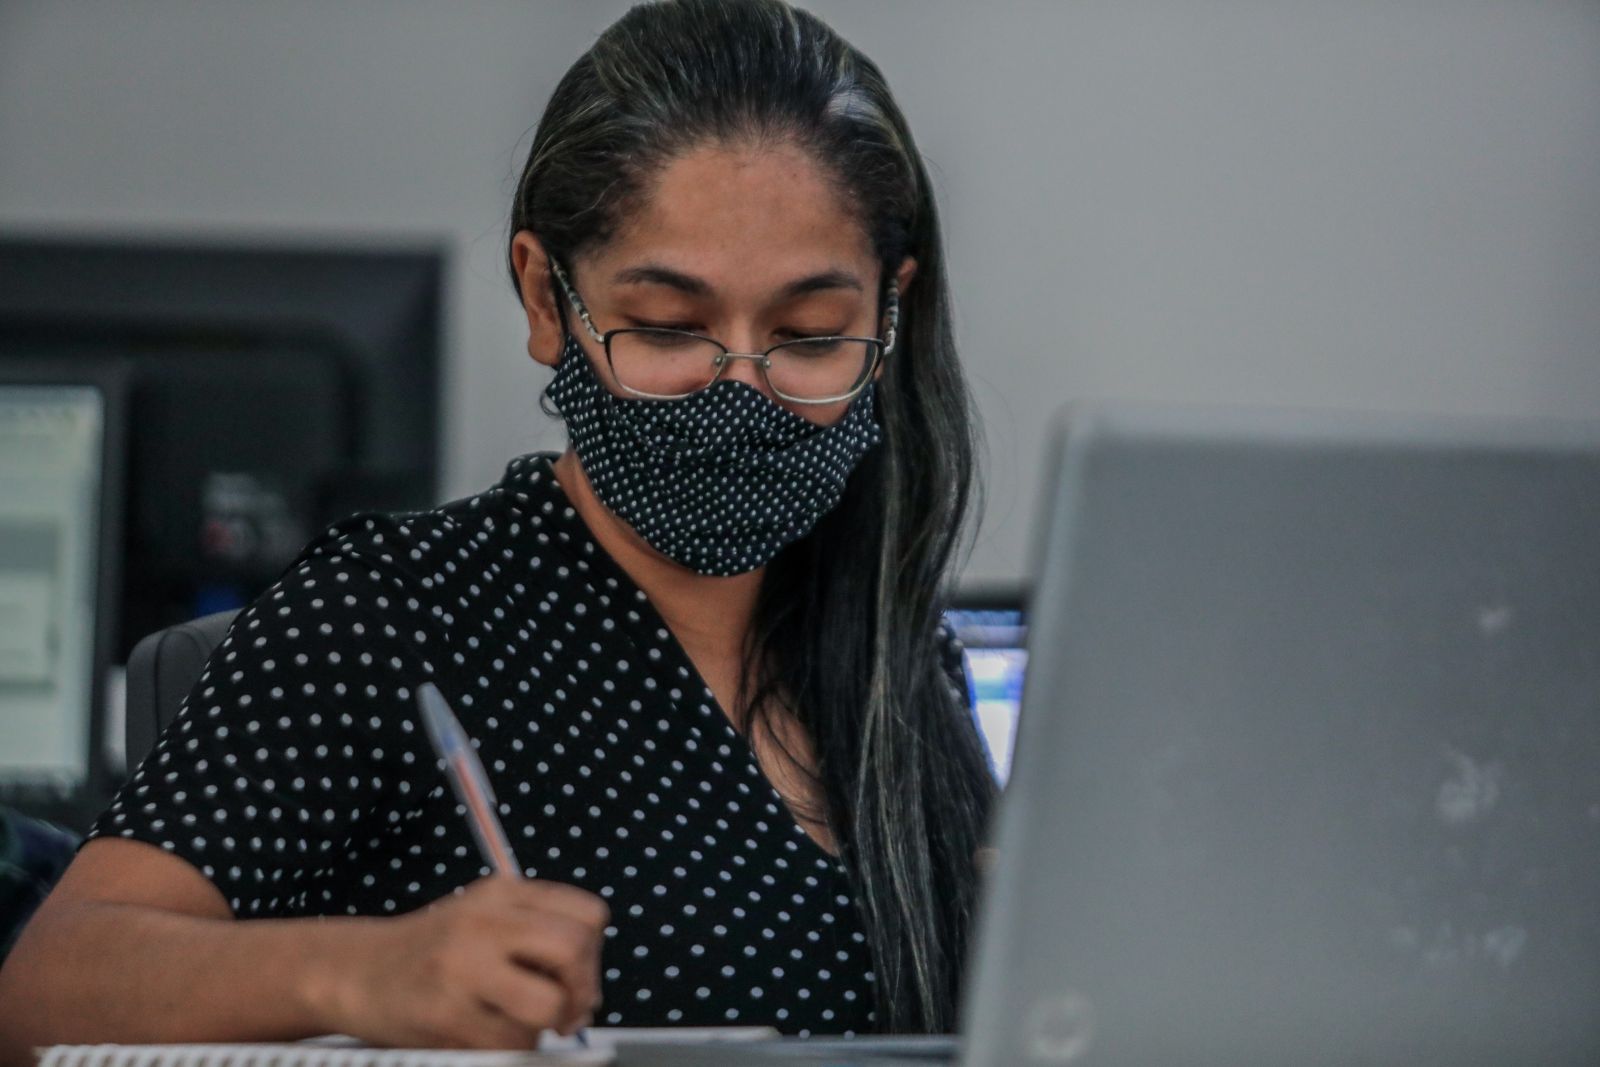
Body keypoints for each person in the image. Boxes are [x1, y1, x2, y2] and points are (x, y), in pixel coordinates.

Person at [0, 0, 998, 1054]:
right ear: (543, 297)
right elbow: (46, 987)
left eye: (806, 334)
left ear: (889, 315)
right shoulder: (396, 613)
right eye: (666, 325)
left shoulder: (896, 646)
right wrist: (364, 972)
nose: (736, 386)